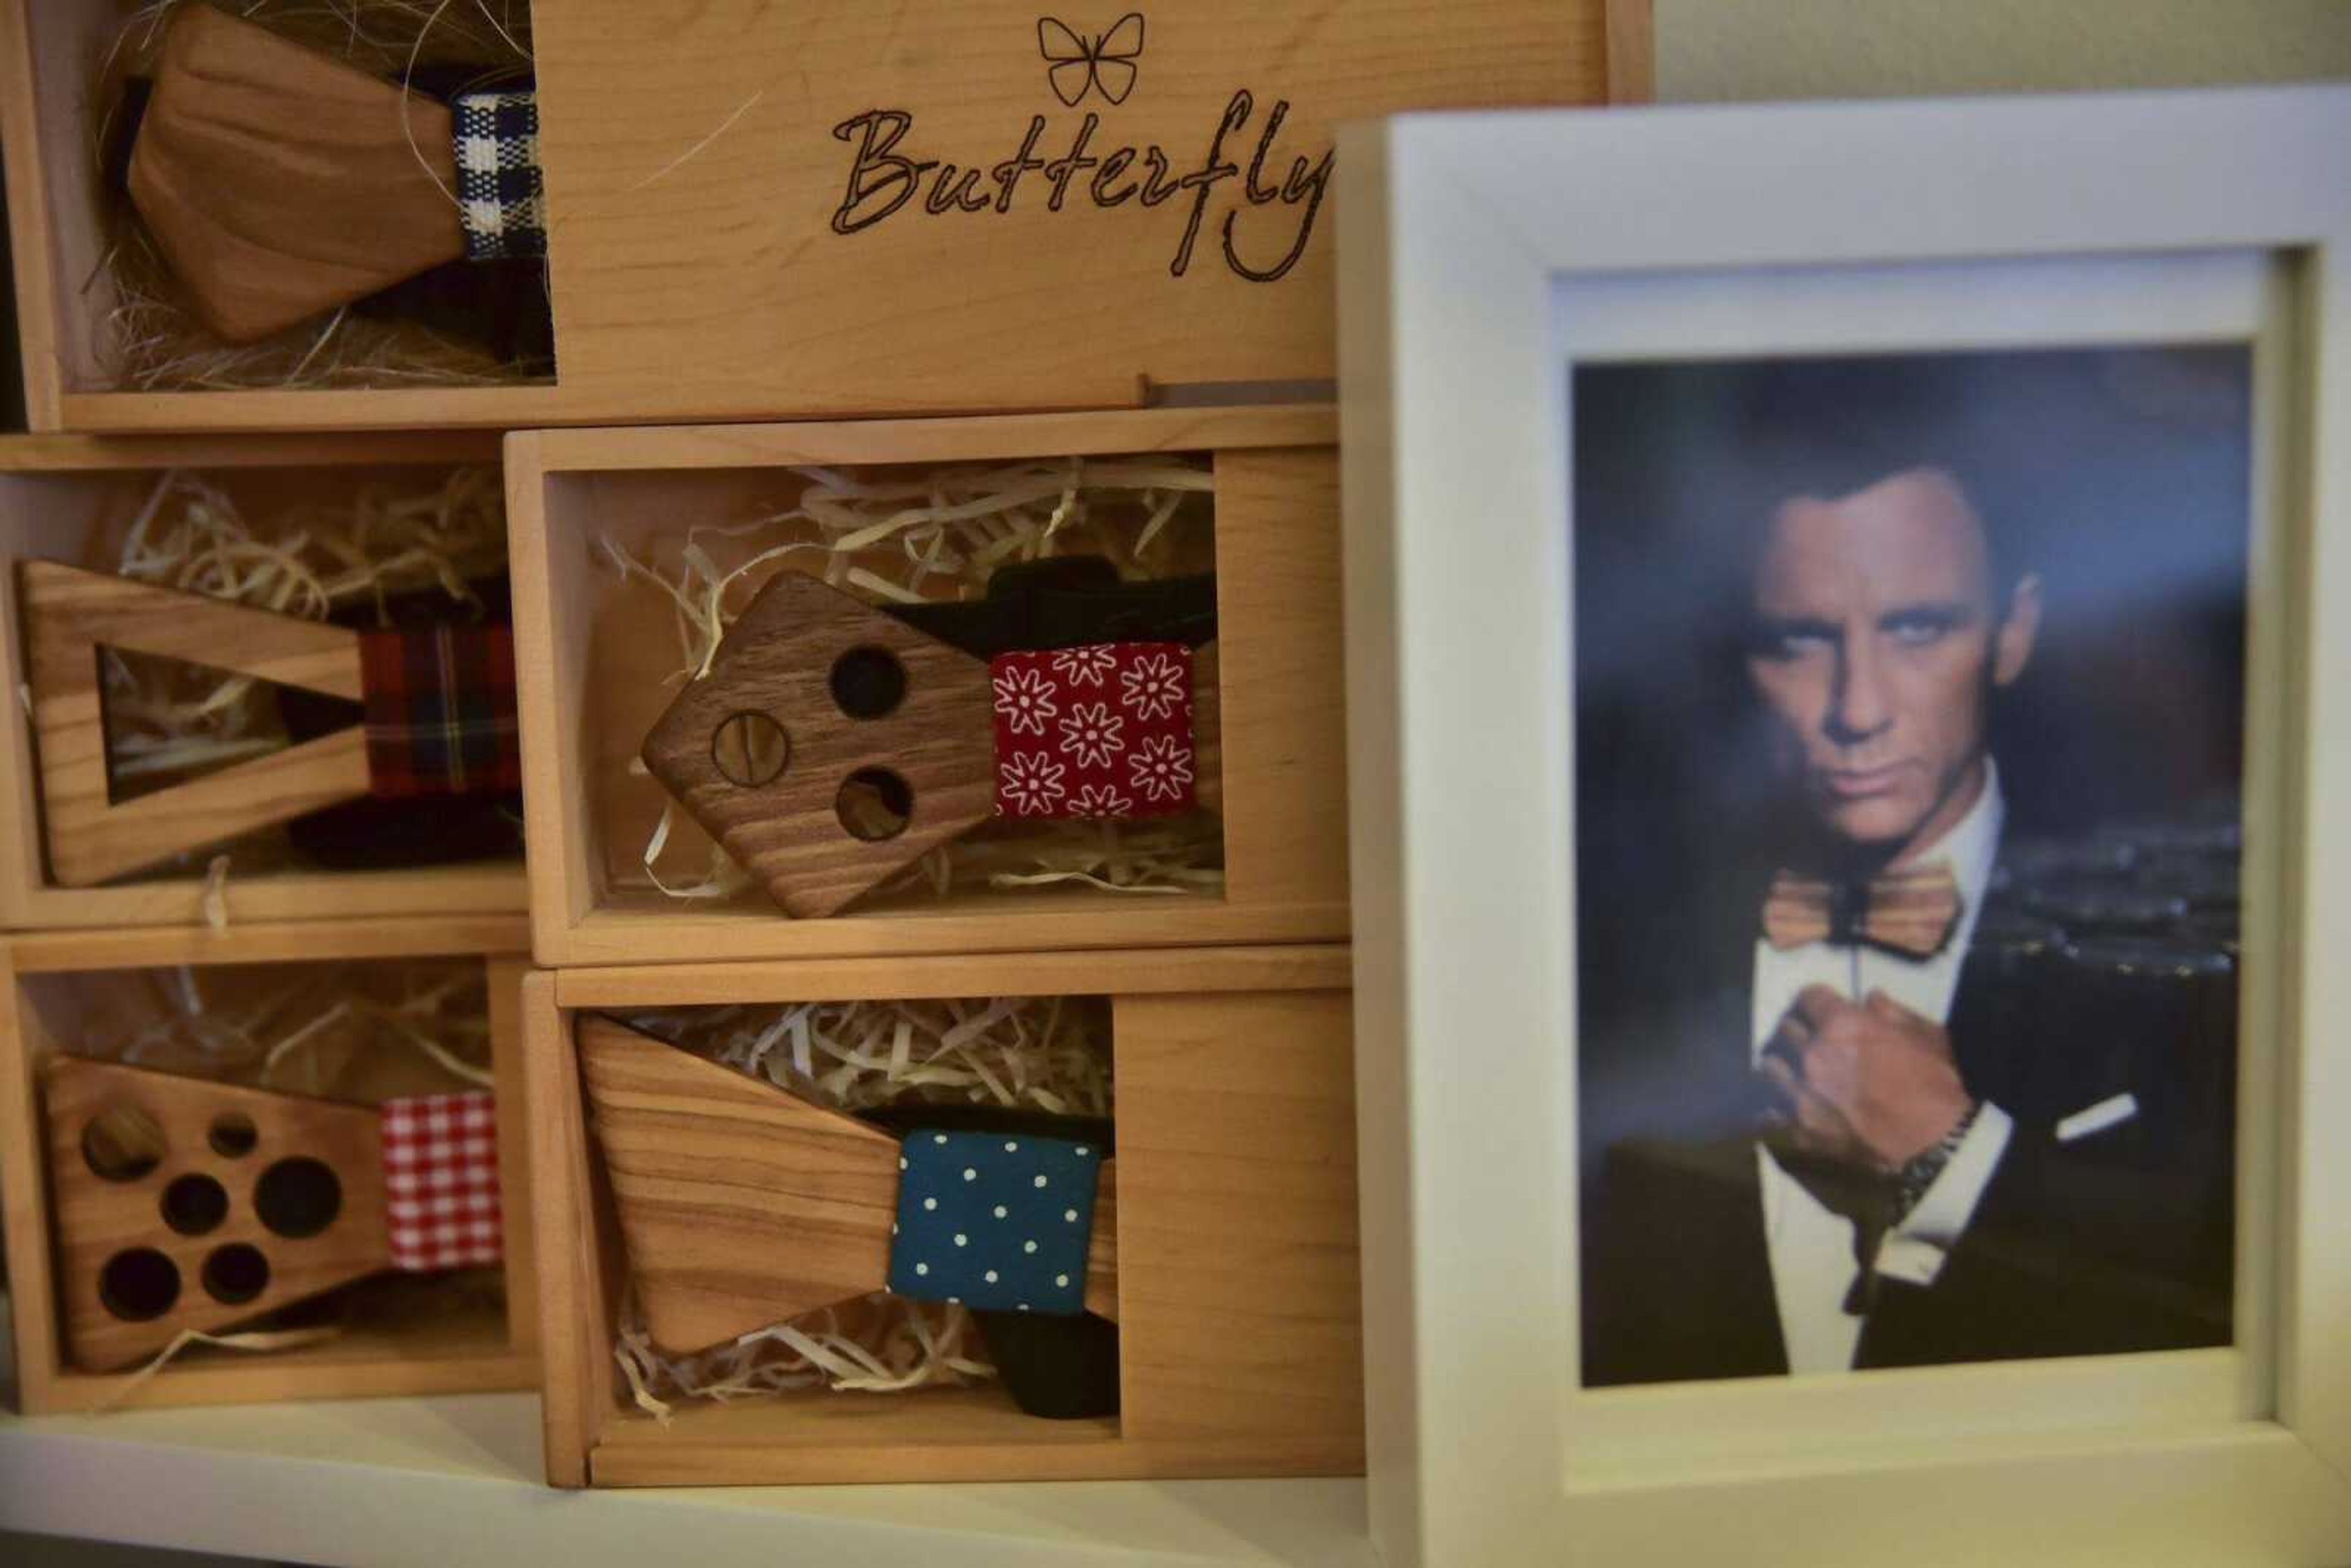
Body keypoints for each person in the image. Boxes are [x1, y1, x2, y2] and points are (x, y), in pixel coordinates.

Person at [1578, 451, 2237, 1387]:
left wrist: (1950, 1163)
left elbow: (2198, 1306)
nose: (1859, 707)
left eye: (1919, 628)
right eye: (1801, 640)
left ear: (2012, 635)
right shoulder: (1641, 953)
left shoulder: (2119, 1004)